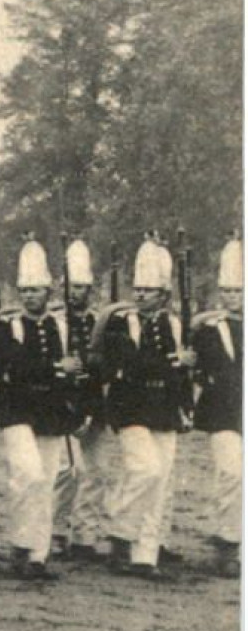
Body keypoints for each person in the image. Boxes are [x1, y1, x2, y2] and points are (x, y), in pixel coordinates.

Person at [99, 233, 195, 581]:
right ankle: (121, 532)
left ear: (163, 295)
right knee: (146, 470)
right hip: (131, 406)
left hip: (165, 407)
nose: (140, 296)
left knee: (161, 481)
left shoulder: (175, 323)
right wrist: (174, 362)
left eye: (148, 291)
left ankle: (145, 554)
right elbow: (129, 363)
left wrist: (186, 403)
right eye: (137, 290)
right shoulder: (119, 322)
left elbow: (182, 375)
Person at [0, 235, 80, 581]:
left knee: (47, 479)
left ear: (47, 293)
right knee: (29, 475)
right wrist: (56, 368)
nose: (30, 297)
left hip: (51, 410)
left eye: (36, 291)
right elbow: (10, 364)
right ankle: (21, 545)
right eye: (25, 291)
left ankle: (37, 555)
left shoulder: (61, 326)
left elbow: (74, 367)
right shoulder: (6, 326)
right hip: (16, 409)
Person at [53, 237, 107, 561]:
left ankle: (86, 535)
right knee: (68, 471)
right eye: (72, 287)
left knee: (96, 471)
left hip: (93, 401)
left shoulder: (100, 320)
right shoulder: (56, 321)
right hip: (63, 401)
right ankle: (56, 530)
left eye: (82, 287)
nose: (77, 293)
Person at [192, 234, 241, 579]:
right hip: (223, 410)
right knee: (232, 472)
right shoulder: (207, 329)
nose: (232, 298)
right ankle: (227, 542)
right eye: (227, 291)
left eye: (238, 291)